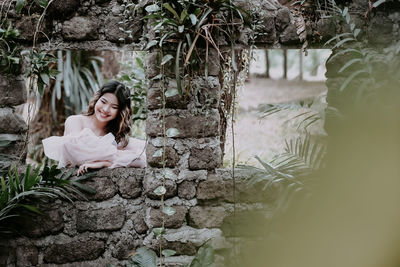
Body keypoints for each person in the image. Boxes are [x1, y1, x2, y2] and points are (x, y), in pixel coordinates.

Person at [42, 80, 147, 175]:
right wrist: (114, 157)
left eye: (114, 107)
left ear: (120, 112)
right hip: (69, 185)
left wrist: (104, 163)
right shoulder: (75, 121)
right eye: (103, 102)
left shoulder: (117, 135)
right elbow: (74, 151)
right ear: (97, 99)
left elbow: (142, 160)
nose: (106, 109)